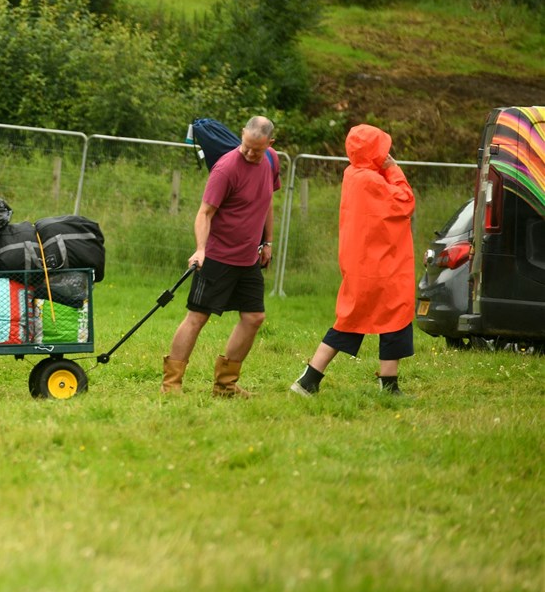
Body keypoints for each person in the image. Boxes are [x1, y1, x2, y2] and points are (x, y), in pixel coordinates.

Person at [291, 124, 416, 396]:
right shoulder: (371, 180)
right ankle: (384, 385)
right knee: (387, 316)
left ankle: (311, 380)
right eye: (382, 149)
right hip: (382, 265)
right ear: (374, 152)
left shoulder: (353, 174)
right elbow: (405, 201)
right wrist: (393, 168)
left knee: (356, 320)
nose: (387, 154)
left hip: (364, 263)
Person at [163, 115, 280, 397]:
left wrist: (268, 242)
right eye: (247, 146)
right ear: (242, 134)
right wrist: (200, 249)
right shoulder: (226, 168)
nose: (251, 153)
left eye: (258, 149)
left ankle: (225, 385)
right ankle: (171, 384)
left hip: (248, 258)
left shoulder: (270, 161)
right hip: (217, 257)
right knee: (197, 318)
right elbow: (204, 213)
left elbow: (267, 202)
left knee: (254, 317)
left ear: (270, 144)